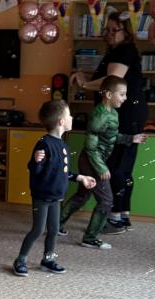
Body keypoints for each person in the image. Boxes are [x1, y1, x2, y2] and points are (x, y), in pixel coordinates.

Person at [71, 7, 147, 230]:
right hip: (128, 113)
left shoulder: (124, 50)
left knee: (115, 166)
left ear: (126, 32)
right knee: (123, 166)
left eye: (115, 30)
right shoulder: (120, 51)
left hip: (124, 115)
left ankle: (114, 216)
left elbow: (112, 80)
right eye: (108, 30)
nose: (110, 34)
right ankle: (122, 214)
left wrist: (85, 84)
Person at [60, 75, 145, 249]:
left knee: (82, 195)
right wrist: (101, 168)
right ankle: (90, 238)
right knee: (106, 200)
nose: (125, 98)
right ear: (108, 95)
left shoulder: (112, 113)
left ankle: (56, 224)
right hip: (91, 162)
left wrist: (131, 138)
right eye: (122, 94)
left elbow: (111, 137)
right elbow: (91, 147)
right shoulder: (99, 116)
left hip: (94, 161)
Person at [12, 100, 96, 276]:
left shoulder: (63, 145)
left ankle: (48, 259)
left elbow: (63, 172)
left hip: (56, 197)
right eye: (69, 115)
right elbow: (34, 170)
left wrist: (81, 178)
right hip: (42, 197)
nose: (72, 118)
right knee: (38, 230)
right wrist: (35, 161)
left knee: (54, 230)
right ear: (61, 121)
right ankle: (20, 260)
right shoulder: (44, 143)